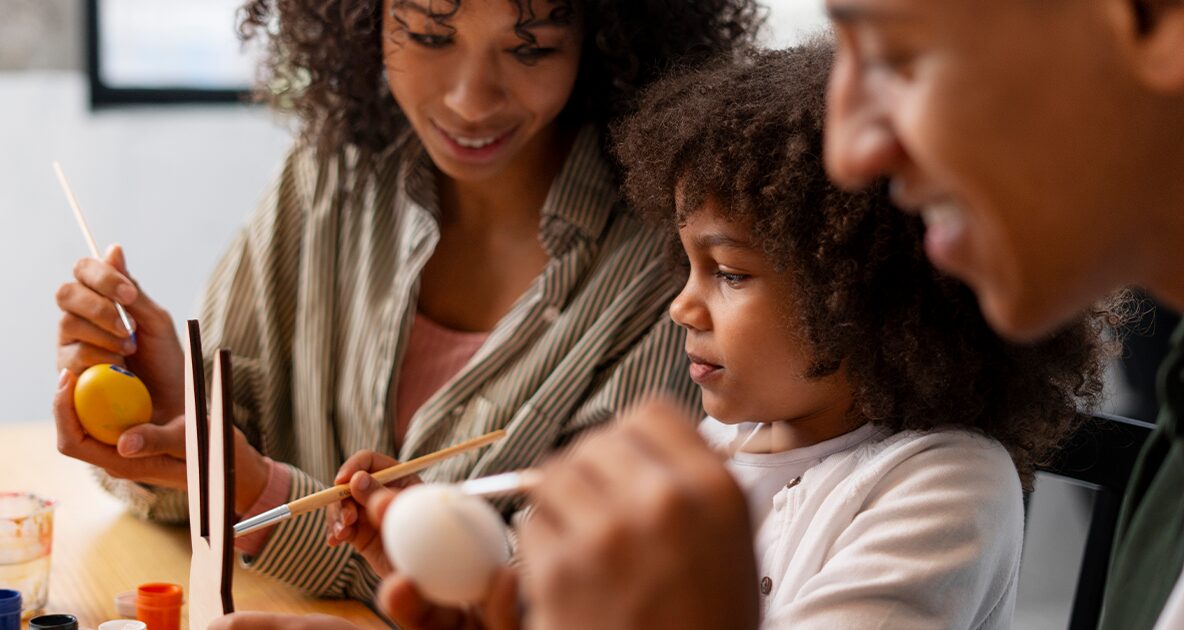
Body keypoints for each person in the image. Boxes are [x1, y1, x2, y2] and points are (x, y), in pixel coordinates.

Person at [51, 0, 762, 605]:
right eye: (428, 36)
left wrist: (259, 490)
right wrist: (175, 421)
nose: (470, 100)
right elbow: (195, 496)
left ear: (604, 37)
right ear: (362, 20)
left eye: (531, 48)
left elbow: (554, 596)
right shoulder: (330, 176)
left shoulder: (668, 262)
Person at [504, 0, 1184, 629]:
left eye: (901, 57)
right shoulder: (711, 449)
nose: (856, 150)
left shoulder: (939, 483)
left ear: (862, 300)